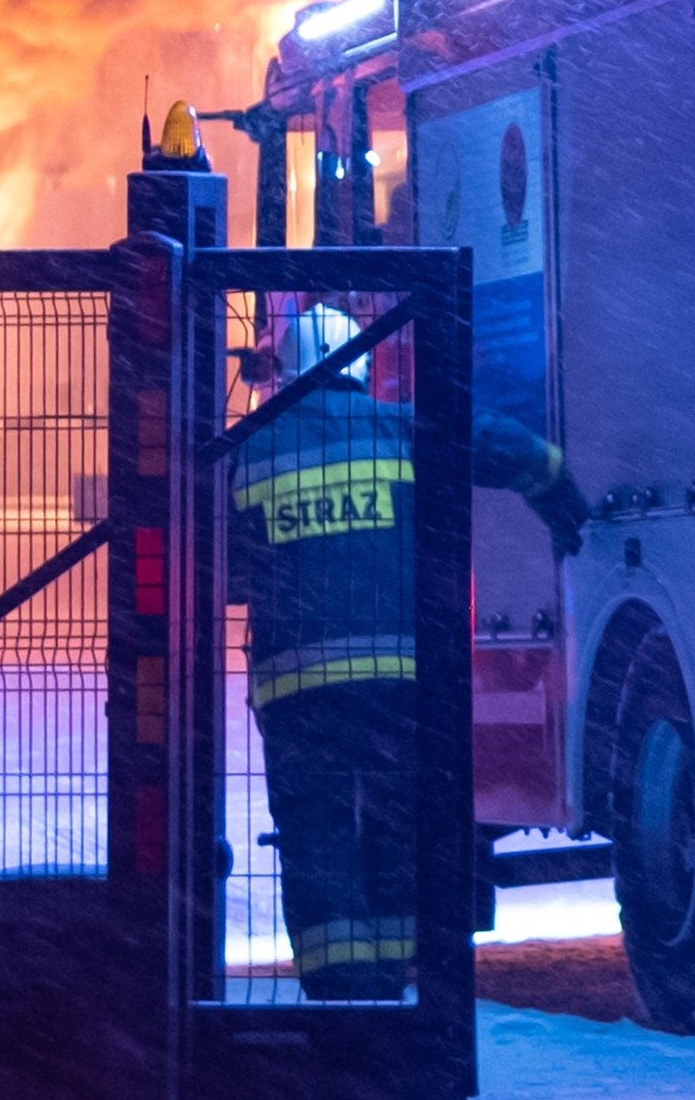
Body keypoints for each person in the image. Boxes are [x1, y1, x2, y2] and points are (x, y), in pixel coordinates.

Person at [230, 303, 589, 1001]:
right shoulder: (399, 429)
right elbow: (499, 444)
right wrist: (556, 485)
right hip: (398, 679)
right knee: (398, 818)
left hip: (298, 688)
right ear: (362, 369)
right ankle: (402, 984)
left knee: (317, 829)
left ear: (288, 369)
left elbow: (219, 561)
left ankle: (342, 998)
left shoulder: (250, 449)